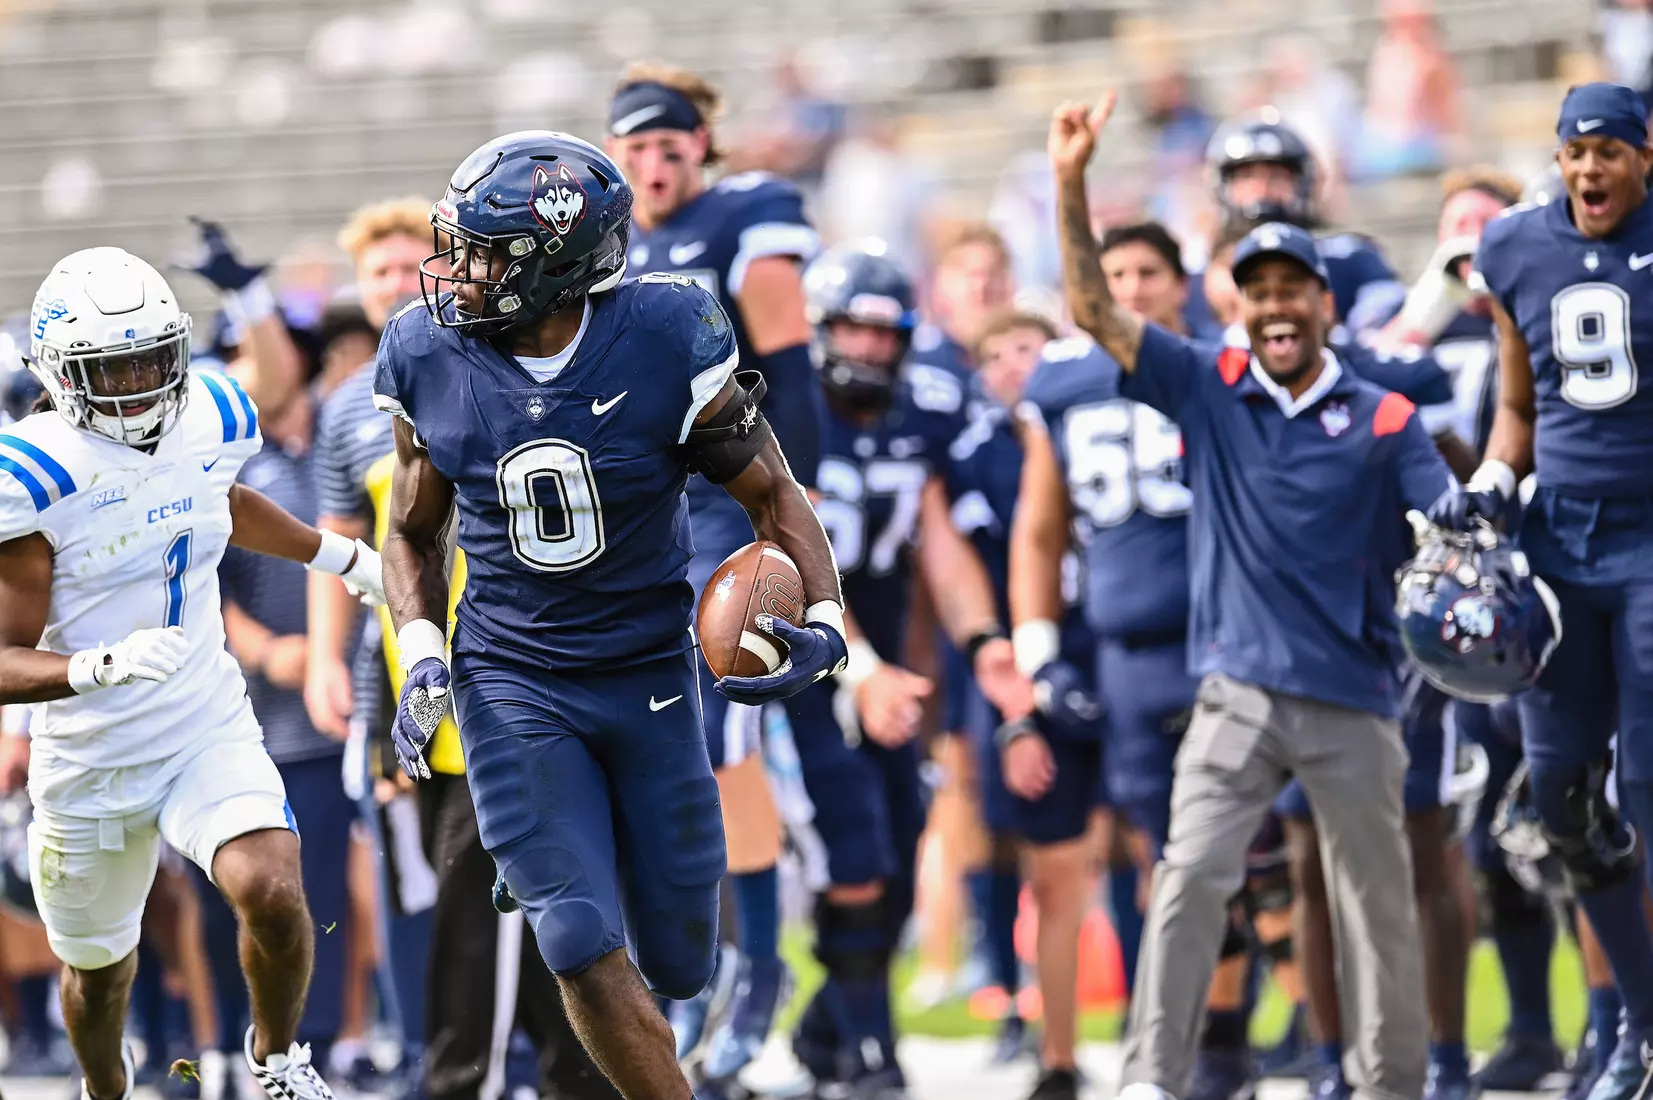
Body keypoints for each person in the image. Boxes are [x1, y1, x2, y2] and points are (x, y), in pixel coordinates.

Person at [374, 131, 850, 1100]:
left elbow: (772, 493)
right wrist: (422, 654)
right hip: (510, 677)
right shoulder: (426, 349)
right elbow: (409, 531)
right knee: (579, 938)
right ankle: (551, 868)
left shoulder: (666, 333)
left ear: (554, 262)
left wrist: (831, 621)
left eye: (484, 252)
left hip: (647, 669)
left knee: (681, 961)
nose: (455, 273)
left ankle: (558, 863)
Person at [1049, 92, 1441, 1100]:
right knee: (1188, 879)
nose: (1274, 305)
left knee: (1378, 904)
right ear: (1239, 302)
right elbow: (1095, 311)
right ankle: (1151, 1077)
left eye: (1291, 289)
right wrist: (1070, 181)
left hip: (1356, 698)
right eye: (1256, 289)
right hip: (1235, 693)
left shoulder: (1388, 416)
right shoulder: (1208, 384)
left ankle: (1392, 1082)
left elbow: (1445, 533)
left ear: (1325, 303)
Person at [0, 246, 385, 1100]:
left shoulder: (209, 409)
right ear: (61, 375)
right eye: (113, 367)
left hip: (202, 720)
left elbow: (217, 501)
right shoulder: (34, 473)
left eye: (151, 358)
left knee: (274, 887)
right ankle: (107, 1085)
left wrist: (342, 557)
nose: (139, 382)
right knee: (100, 977)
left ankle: (279, 1060)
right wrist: (98, 666)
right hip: (91, 757)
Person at [1429, 81, 1653, 1100]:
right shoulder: (1517, 247)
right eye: (1578, 151)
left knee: (1646, 788)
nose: (1593, 168)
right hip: (1560, 542)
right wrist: (1487, 485)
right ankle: (1640, 1030)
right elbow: (1516, 404)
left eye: (1612, 150)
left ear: (1645, 157)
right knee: (1562, 797)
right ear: (1557, 158)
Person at [603, 62, 821, 1077]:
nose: (653, 161)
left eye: (670, 142)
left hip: (723, 510)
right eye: (634, 146)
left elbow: (792, 374)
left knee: (729, 750)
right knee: (654, 762)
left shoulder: (749, 216)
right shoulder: (599, 238)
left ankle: (757, 971)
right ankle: (683, 979)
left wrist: (787, 516)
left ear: (704, 143)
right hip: (638, 528)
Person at [785, 240, 1034, 1098]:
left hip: (885, 655)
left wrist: (985, 641)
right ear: (819, 331)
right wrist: (865, 670)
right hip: (797, 662)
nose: (869, 352)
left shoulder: (912, 413)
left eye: (885, 337)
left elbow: (939, 544)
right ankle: (870, 1055)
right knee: (853, 850)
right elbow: (792, 554)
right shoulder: (783, 412)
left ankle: (831, 1027)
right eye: (852, 333)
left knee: (895, 849)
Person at [957, 306, 1105, 1100]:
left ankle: (1191, 1033)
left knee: (1166, 854)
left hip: (1121, 652)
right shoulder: (978, 456)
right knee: (1051, 871)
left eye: (1030, 348)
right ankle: (1057, 1052)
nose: (1016, 364)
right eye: (999, 353)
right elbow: (975, 588)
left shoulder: (1108, 423)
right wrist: (1014, 705)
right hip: (1026, 668)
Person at [1189, 110, 1405, 338]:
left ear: (1303, 182)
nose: (1261, 190)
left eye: (1276, 176)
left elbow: (1386, 336)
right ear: (1221, 186)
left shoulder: (1347, 255)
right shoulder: (1190, 270)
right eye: (1247, 176)